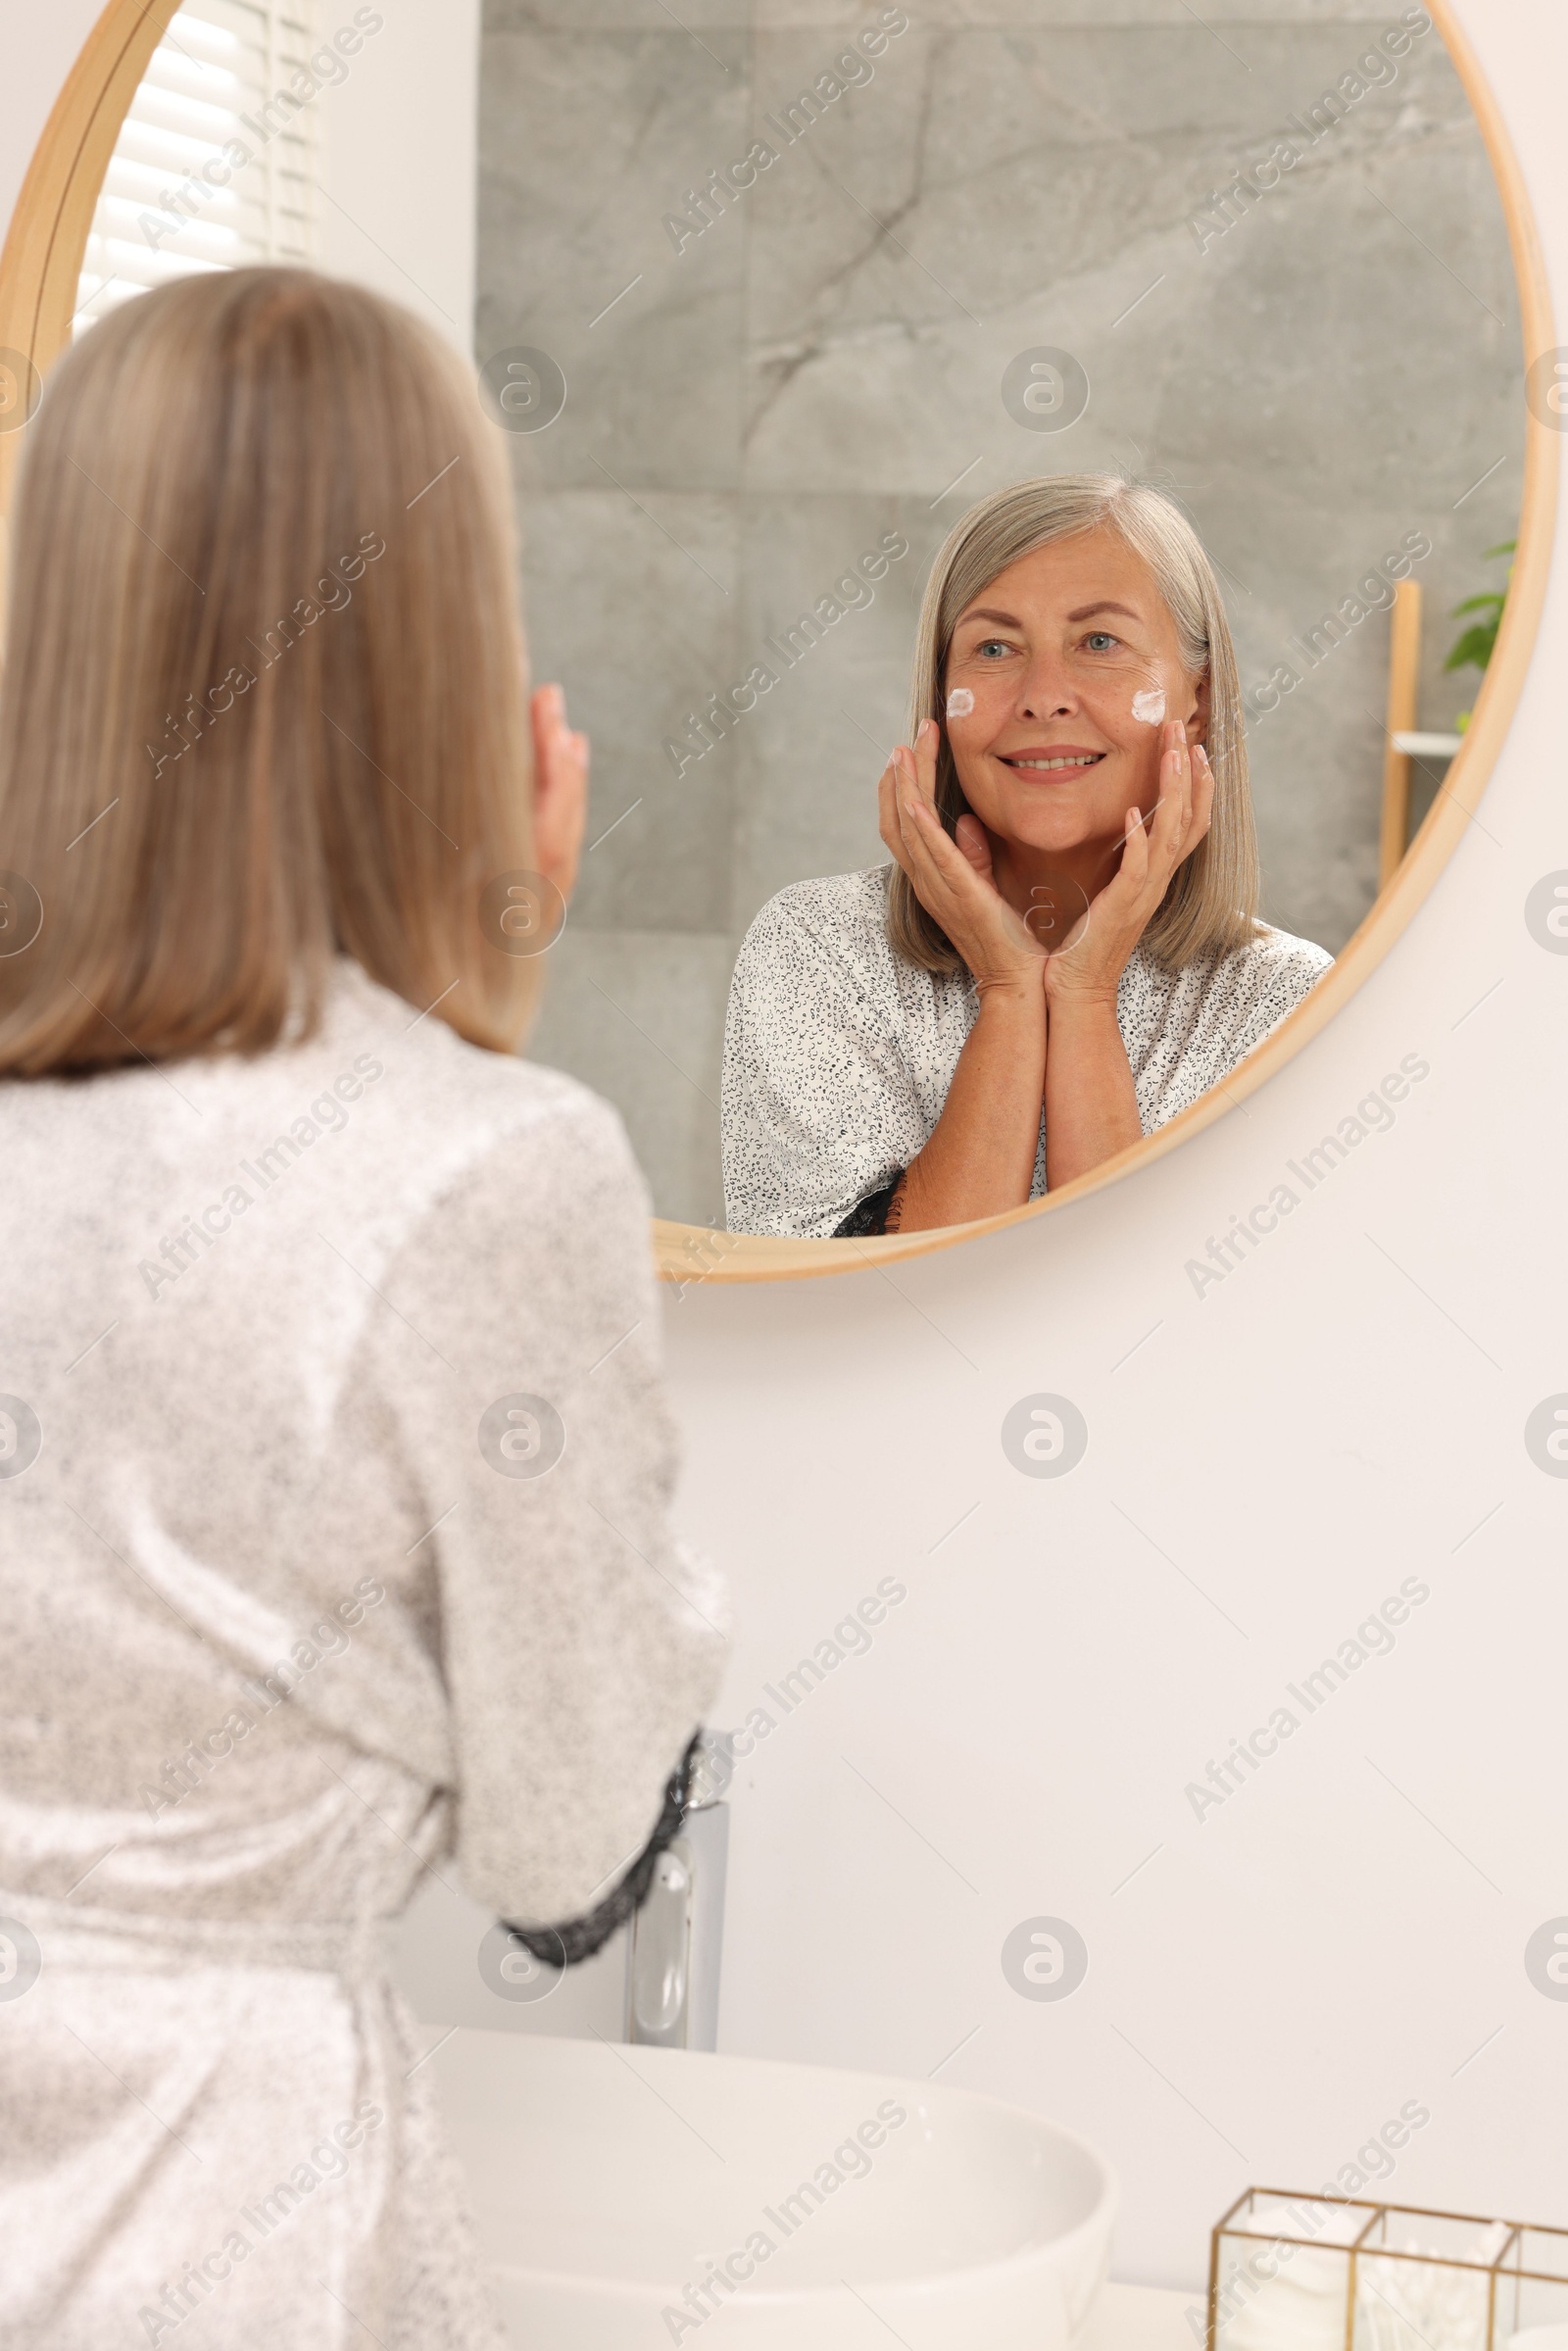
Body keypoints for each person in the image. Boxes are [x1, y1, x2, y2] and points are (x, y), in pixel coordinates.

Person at [0, 268, 725, 2348]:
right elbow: (569, 1842)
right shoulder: (478, 1171)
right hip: (193, 2232)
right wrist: (472, 1009)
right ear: (449, 664)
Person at [722, 475, 1332, 1238]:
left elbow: (1159, 1336)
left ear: (1196, 701)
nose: (1044, 696)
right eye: (996, 647)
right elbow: (871, 1324)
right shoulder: (815, 948)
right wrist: (1009, 990)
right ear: (941, 692)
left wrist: (1084, 993)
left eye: (1100, 642)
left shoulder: (1287, 1005)